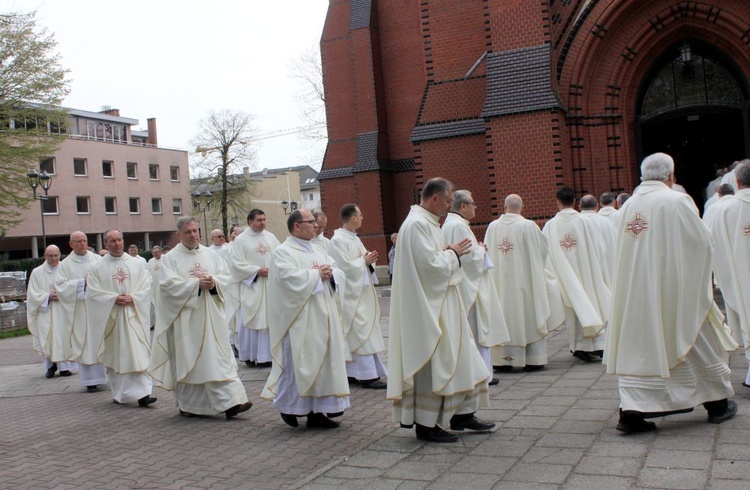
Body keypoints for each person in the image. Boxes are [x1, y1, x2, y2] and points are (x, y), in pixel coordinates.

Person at [606, 152, 737, 433]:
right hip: (671, 289)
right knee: (692, 338)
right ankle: (717, 404)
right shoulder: (676, 200)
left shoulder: (627, 208)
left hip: (634, 294)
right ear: (671, 176)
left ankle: (631, 413)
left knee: (639, 346)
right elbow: (701, 243)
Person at [388, 177, 495, 443]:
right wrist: (454, 253)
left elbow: (433, 259)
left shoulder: (428, 223)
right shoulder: (416, 225)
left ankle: (462, 414)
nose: (450, 206)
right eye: (448, 201)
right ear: (434, 198)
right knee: (437, 362)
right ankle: (426, 424)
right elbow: (429, 268)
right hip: (429, 310)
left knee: (461, 358)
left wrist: (448, 251)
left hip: (444, 302)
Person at [150, 216, 252, 419]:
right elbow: (166, 288)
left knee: (220, 358)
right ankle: (190, 406)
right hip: (186, 321)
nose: (193, 235)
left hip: (212, 317)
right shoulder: (170, 259)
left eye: (195, 230)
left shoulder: (210, 255)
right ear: (179, 235)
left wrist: (213, 282)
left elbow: (226, 278)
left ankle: (233, 402)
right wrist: (195, 285)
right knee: (191, 362)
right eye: (188, 232)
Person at [262, 209, 350, 429]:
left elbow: (338, 272)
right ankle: (289, 407)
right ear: (297, 226)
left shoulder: (319, 249)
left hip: (323, 316)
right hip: (299, 319)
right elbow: (286, 279)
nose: (316, 226)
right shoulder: (283, 252)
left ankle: (317, 413)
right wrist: (316, 275)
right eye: (311, 222)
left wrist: (331, 274)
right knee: (297, 366)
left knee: (322, 365)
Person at [485, 194, 562, 372]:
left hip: (499, 286)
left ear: (504, 207)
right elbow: (542, 251)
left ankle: (502, 360)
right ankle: (533, 359)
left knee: (502, 314)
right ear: (523, 207)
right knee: (528, 313)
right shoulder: (528, 226)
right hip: (525, 284)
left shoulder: (493, 227)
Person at [442, 191, 509, 386]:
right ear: (463, 206)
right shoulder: (456, 226)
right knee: (476, 331)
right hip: (468, 287)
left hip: (467, 285)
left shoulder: (456, 224)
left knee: (476, 332)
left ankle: (483, 372)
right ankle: (480, 374)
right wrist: (482, 250)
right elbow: (468, 258)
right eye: (473, 203)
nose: (475, 207)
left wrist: (478, 250)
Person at [86, 230, 156, 407]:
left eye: (119, 240)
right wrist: (113, 299)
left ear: (123, 241)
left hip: (134, 315)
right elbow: (93, 293)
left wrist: (134, 298)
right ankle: (120, 393)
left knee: (138, 353)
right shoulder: (98, 267)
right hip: (112, 318)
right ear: (106, 244)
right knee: (117, 355)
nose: (117, 244)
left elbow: (147, 286)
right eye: (112, 241)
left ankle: (144, 393)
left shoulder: (137, 264)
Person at [543, 187, 609, 363]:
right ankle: (596, 345)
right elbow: (599, 247)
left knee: (573, 308)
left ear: (557, 201)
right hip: (586, 271)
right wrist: (599, 269)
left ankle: (578, 345)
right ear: (574, 201)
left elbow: (544, 253)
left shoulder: (550, 225)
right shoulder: (585, 222)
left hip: (565, 276)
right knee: (591, 302)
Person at [328, 204, 388, 389]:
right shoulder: (338, 240)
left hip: (361, 294)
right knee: (360, 332)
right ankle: (366, 375)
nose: (362, 217)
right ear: (352, 218)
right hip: (351, 297)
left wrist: (368, 261)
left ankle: (354, 373)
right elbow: (343, 267)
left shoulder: (353, 238)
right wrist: (364, 261)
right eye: (360, 215)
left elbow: (359, 261)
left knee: (363, 332)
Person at [711, 162, 750, 387]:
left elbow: (716, 248)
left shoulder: (723, 209)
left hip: (740, 280)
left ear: (736, 182)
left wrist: (726, 282)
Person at [227, 209, 280, 368]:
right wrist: (256, 271)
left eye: (264, 219)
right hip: (252, 286)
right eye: (259, 220)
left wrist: (274, 271)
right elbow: (235, 264)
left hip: (270, 285)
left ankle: (269, 356)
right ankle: (250, 355)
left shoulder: (271, 237)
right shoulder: (241, 240)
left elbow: (281, 257)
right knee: (249, 319)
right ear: (250, 222)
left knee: (270, 319)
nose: (263, 223)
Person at [54, 231, 106, 392]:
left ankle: (106, 375)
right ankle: (90, 380)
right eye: (78, 241)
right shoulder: (65, 265)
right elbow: (61, 287)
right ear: (71, 244)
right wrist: (82, 282)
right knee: (85, 343)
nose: (82, 244)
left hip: (98, 308)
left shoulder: (98, 260)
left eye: (84, 241)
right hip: (80, 312)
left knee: (102, 341)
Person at [27, 245, 78, 378]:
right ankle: (50, 366)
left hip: (62, 310)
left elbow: (73, 286)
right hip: (46, 311)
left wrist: (62, 294)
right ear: (45, 256)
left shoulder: (66, 269)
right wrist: (48, 296)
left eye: (56, 255)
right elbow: (32, 294)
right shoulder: (37, 272)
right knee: (48, 338)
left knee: (63, 337)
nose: (54, 258)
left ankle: (64, 368)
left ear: (60, 254)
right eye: (51, 255)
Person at [579, 194, 617, 278]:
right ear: (596, 206)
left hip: (584, 272)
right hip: (607, 269)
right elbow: (615, 246)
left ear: (580, 207)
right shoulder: (607, 223)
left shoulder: (575, 224)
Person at [147, 246, 164, 331]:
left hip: (163, 287)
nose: (155, 254)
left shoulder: (165, 259)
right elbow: (148, 274)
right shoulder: (150, 261)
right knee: (155, 305)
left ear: (161, 252)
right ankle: (156, 322)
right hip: (154, 287)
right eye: (154, 253)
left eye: (157, 252)